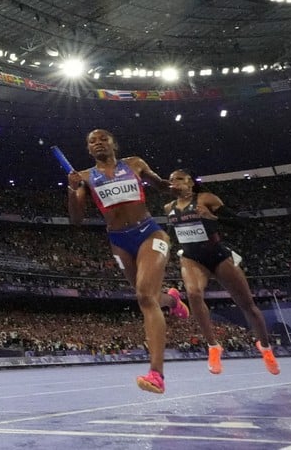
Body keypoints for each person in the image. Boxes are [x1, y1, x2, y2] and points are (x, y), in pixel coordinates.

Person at [66, 129, 188, 394]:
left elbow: (159, 185)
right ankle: (173, 300)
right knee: (149, 297)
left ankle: (156, 374)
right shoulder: (85, 177)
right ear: (88, 150)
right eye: (92, 141)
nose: (98, 143)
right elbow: (76, 219)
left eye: (103, 139)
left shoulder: (135, 164)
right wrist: (71, 189)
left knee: (145, 296)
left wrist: (175, 186)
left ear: (113, 144)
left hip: (149, 232)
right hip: (119, 241)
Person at [165, 169, 279, 375]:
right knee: (193, 294)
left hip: (218, 255)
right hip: (191, 258)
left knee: (248, 306)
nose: (175, 183)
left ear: (190, 182)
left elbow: (242, 224)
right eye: (171, 180)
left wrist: (213, 218)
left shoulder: (207, 198)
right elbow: (174, 234)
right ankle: (213, 346)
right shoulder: (169, 208)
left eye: (180, 179)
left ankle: (265, 347)